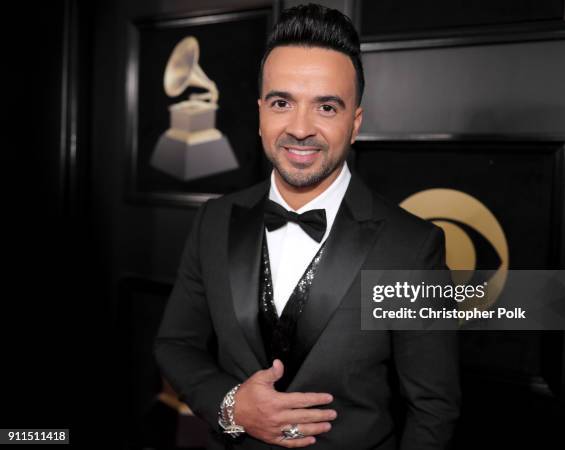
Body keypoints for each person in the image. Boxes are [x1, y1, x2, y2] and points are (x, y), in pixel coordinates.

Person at [154, 4, 460, 449]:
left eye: (327, 107)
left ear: (355, 122)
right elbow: (175, 345)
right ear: (260, 114)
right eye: (282, 103)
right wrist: (231, 406)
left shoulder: (412, 247)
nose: (300, 128)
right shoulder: (214, 219)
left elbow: (434, 408)